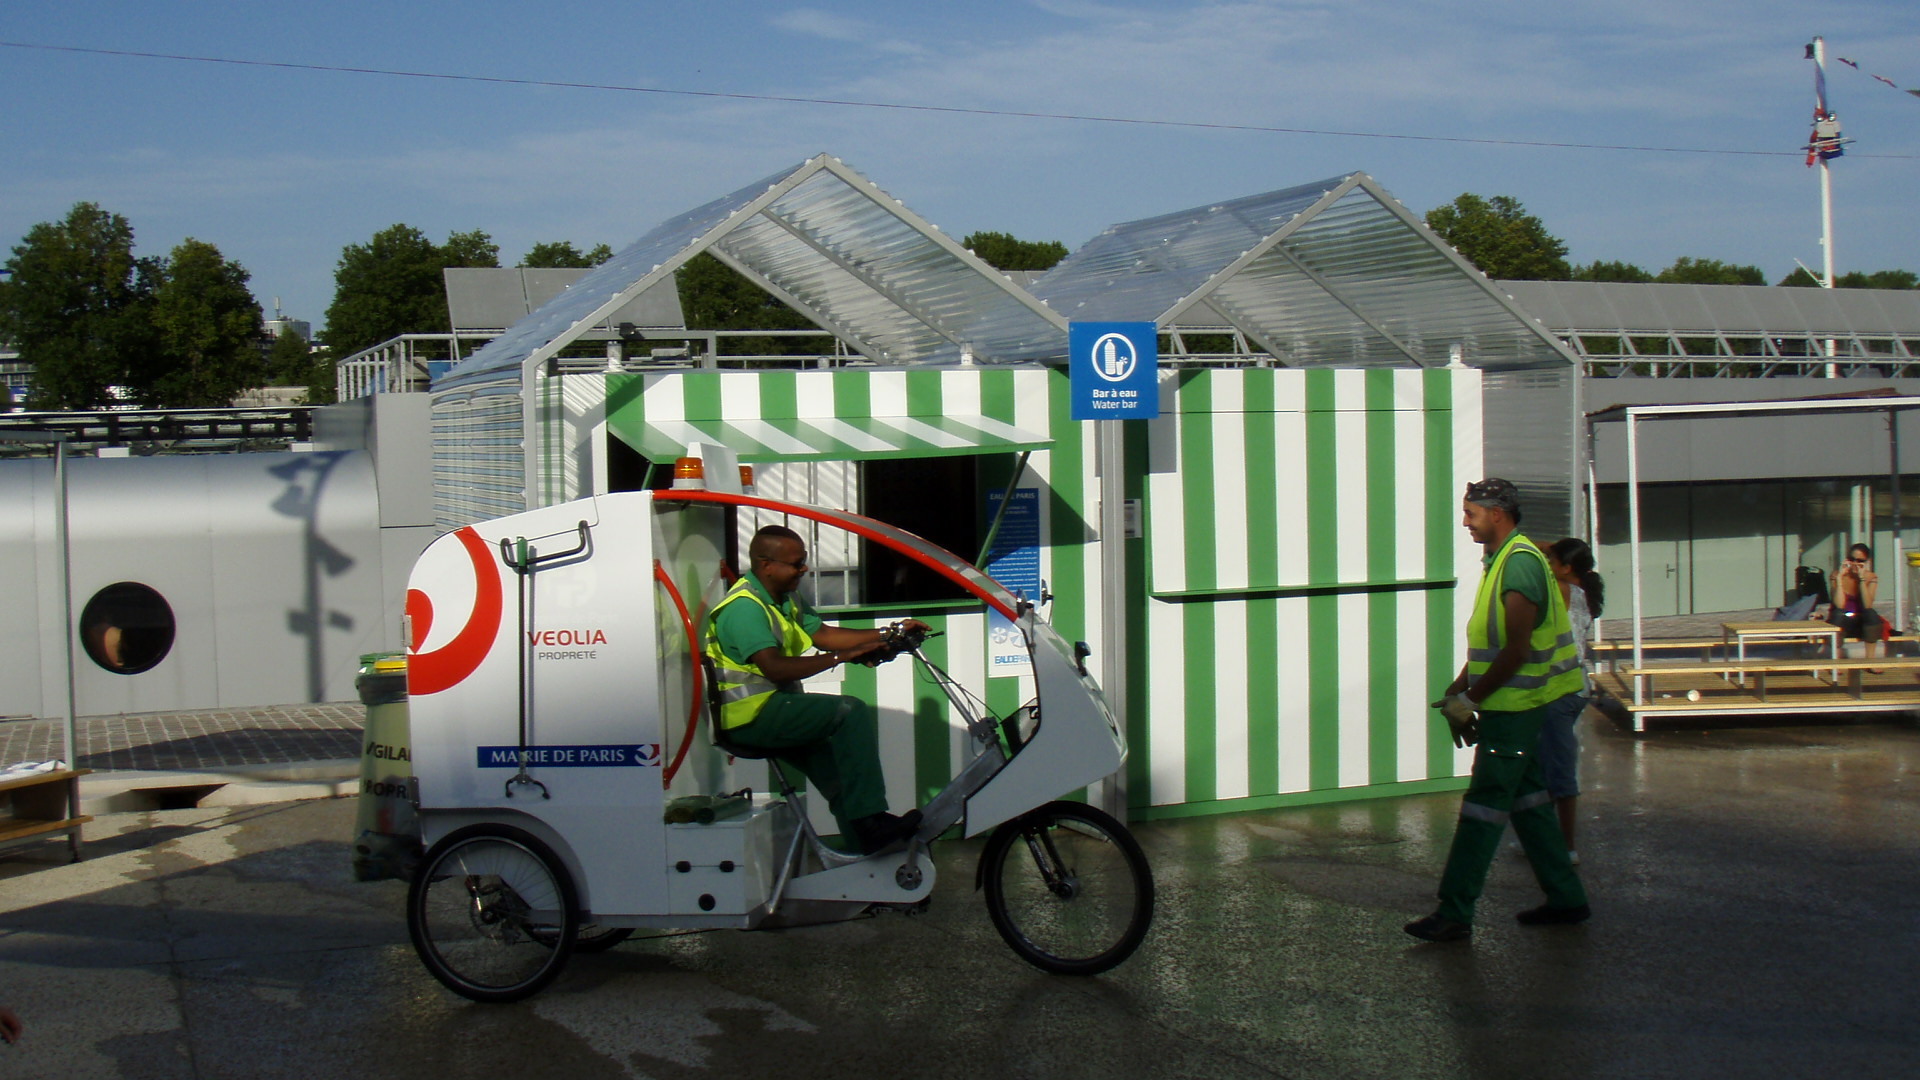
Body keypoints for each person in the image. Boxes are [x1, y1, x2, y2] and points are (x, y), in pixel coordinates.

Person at [1405, 478, 1590, 943]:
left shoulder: (1519, 565)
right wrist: (1459, 686)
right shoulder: (1505, 560)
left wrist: (1470, 700)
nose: (1465, 522)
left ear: (1498, 515)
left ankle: (1455, 910)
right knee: (1528, 801)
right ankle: (1566, 899)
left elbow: (1518, 650)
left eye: (1471, 513)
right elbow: (1496, 642)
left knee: (1484, 808)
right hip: (1514, 704)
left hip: (1518, 706)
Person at [705, 525, 930, 854]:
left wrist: (887, 634)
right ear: (766, 565)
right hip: (749, 719)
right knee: (848, 711)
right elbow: (775, 667)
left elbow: (823, 635)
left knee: (841, 780)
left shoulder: (784, 598)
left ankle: (863, 864)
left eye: (804, 561)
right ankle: (871, 824)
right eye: (796, 564)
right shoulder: (744, 608)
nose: (804, 569)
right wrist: (841, 657)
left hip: (776, 710)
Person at [1541, 537, 1604, 863]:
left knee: (1558, 767)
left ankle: (1566, 847)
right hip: (1574, 687)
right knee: (1546, 762)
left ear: (1567, 568)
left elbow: (1539, 569)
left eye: (1554, 561)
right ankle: (1545, 838)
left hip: (1562, 688)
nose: (1549, 565)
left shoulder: (1566, 592)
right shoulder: (1582, 593)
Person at [1828, 543, 1885, 668]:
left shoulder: (1871, 577)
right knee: (1838, 613)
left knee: (1871, 614)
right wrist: (1839, 580)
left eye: (1859, 561)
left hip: (1861, 620)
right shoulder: (1837, 575)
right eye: (1851, 559)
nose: (1854, 563)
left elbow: (1867, 604)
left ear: (1866, 562)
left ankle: (1871, 661)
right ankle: (1836, 661)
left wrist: (1862, 580)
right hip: (1843, 618)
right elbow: (1839, 604)